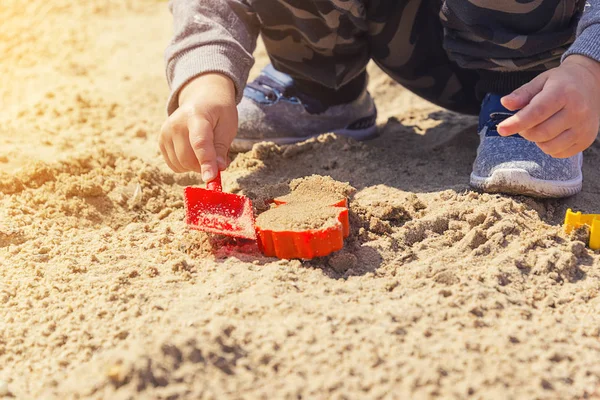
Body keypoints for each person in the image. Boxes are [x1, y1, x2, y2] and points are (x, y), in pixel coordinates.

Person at [159, 0, 600, 198]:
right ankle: (319, 83)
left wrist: (588, 67)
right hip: (404, 32)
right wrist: (204, 80)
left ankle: (521, 103)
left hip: (550, 58)